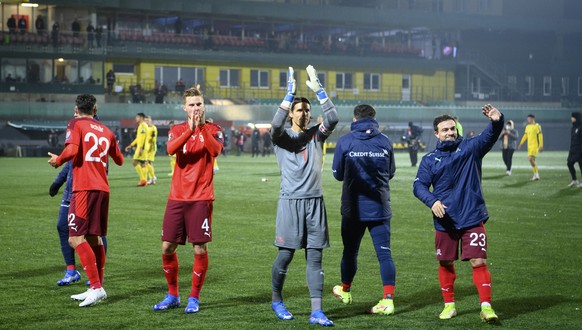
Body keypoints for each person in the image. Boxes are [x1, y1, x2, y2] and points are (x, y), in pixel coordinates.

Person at [413, 104, 503, 324]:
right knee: (445, 262)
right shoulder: (429, 160)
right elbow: (419, 186)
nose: (450, 132)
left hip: (472, 215)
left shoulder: (471, 148)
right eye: (445, 130)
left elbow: (490, 136)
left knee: (478, 261)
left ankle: (486, 307)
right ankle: (450, 306)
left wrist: (497, 121)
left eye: (452, 128)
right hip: (445, 220)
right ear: (436, 134)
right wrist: (432, 200)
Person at [270, 66, 338, 326]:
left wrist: (319, 89)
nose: (305, 113)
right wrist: (288, 96)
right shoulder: (282, 138)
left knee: (315, 256)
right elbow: (275, 125)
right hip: (290, 202)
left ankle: (317, 311)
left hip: (314, 202)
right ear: (291, 114)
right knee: (286, 255)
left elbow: (332, 119)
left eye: (307, 110)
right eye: (300, 109)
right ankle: (277, 299)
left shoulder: (316, 135)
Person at [47, 94, 124, 307]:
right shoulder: (107, 131)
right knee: (94, 238)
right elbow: (119, 160)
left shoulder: (76, 123)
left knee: (75, 239)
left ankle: (96, 287)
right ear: (95, 109)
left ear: (76, 109)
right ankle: (95, 286)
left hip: (84, 189)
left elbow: (71, 150)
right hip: (102, 189)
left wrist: (58, 159)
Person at [153, 87, 224, 314]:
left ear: (204, 106)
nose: (195, 108)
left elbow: (215, 151)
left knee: (199, 249)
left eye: (199, 104)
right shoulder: (177, 130)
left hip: (201, 198)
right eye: (191, 105)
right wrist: (191, 130)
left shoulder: (213, 129)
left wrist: (201, 128)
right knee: (167, 247)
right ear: (185, 108)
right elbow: (170, 149)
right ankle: (172, 294)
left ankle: (194, 297)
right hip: (177, 197)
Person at [331, 104, 397, 315]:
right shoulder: (385, 141)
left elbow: (338, 174)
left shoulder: (346, 141)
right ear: (374, 118)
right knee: (384, 255)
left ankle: (346, 290)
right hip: (380, 208)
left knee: (350, 252)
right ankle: (388, 300)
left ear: (355, 118)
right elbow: (391, 172)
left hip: (353, 209)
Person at [125, 113, 149, 186]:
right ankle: (144, 181)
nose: (136, 118)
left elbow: (142, 138)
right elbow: (138, 138)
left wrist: (141, 148)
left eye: (137, 117)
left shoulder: (142, 126)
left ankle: (142, 180)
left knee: (135, 162)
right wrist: (131, 145)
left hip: (142, 148)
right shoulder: (142, 126)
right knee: (143, 164)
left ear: (141, 118)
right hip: (143, 147)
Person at [518, 114, 543, 181]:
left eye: (529, 118)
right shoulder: (527, 127)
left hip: (535, 146)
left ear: (532, 119)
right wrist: (521, 143)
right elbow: (525, 136)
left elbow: (540, 136)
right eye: (528, 119)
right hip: (529, 146)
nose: (528, 120)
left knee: (530, 159)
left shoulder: (537, 126)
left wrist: (541, 145)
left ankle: (537, 174)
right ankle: (535, 175)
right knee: (532, 161)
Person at [567, 112, 582, 187]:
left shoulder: (581, 127)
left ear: (576, 118)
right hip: (573, 150)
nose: (571, 118)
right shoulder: (573, 128)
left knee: (581, 166)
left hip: (580, 150)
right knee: (569, 163)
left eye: (572, 117)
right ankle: (574, 180)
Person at [145, 115, 158, 185]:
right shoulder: (146, 128)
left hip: (151, 147)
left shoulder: (153, 128)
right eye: (146, 120)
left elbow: (154, 139)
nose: (147, 122)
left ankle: (153, 177)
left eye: (148, 120)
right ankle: (152, 179)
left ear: (150, 121)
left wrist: (152, 147)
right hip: (147, 147)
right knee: (150, 163)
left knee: (146, 162)